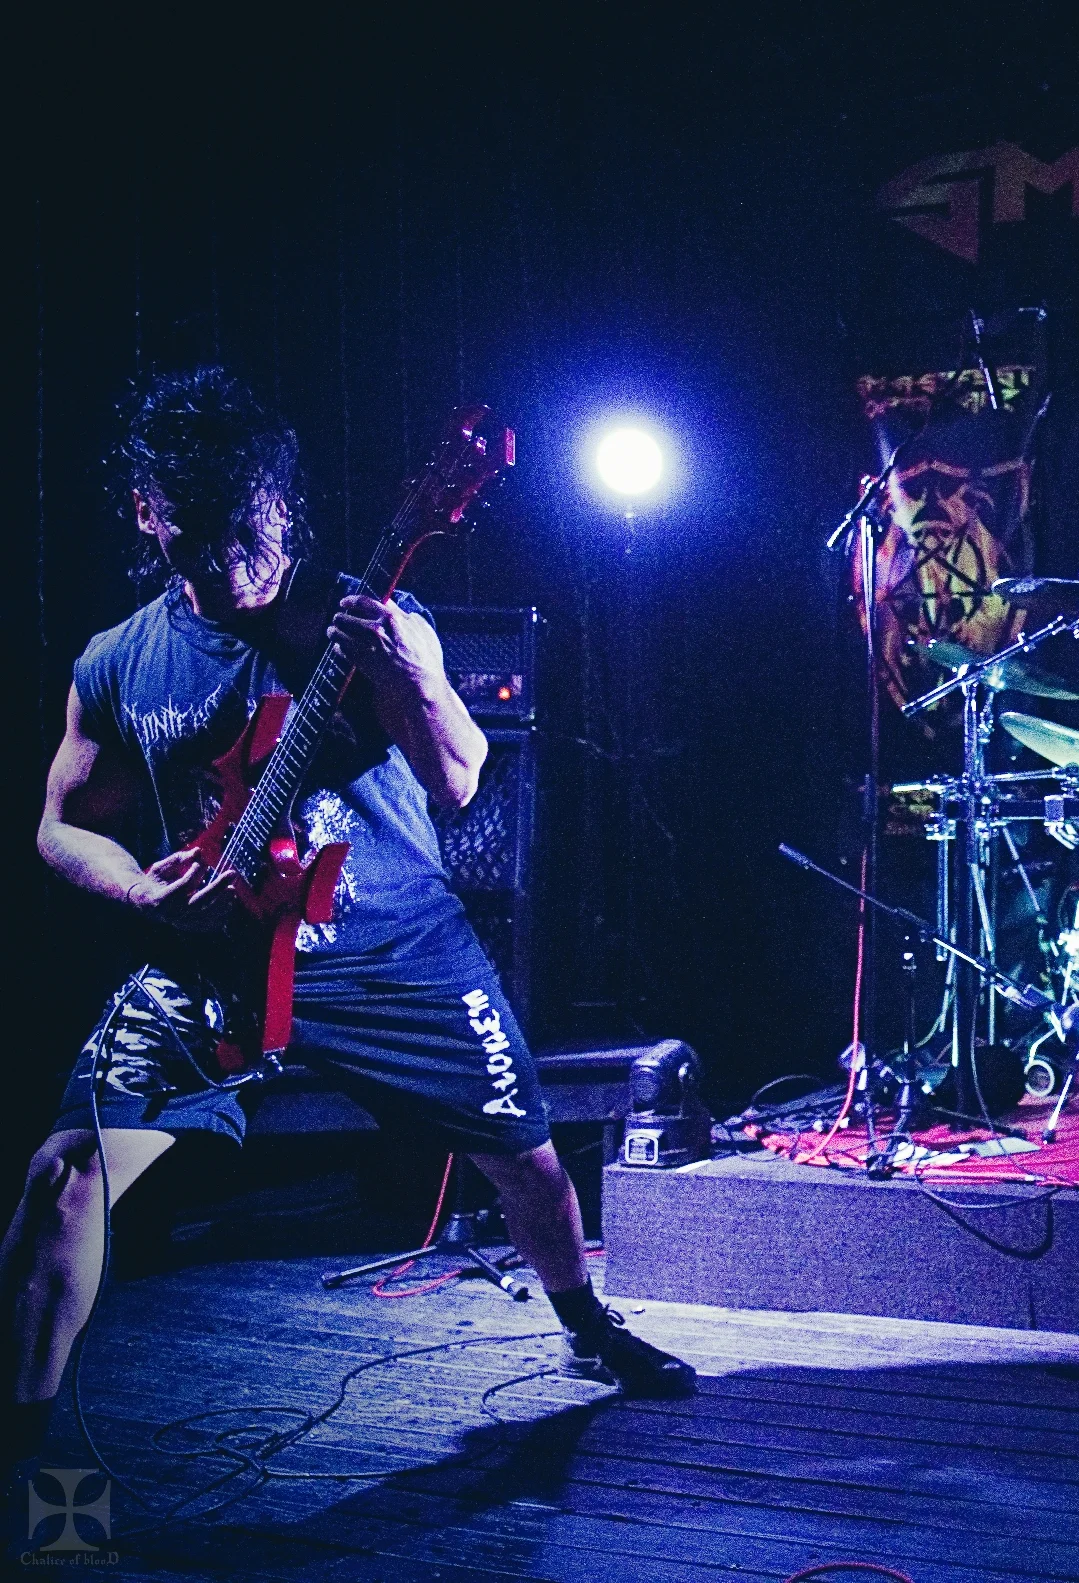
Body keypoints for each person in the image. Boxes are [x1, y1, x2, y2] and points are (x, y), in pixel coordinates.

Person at [4, 368, 694, 1479]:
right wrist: (138, 892)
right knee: (61, 1177)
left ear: (280, 506)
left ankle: (585, 1323)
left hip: (390, 949)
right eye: (196, 539)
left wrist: (412, 674)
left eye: (246, 532)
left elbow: (459, 780)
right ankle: (23, 1463)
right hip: (213, 960)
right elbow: (60, 826)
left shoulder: (363, 618)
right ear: (147, 516)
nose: (230, 565)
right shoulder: (120, 658)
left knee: (525, 1157)